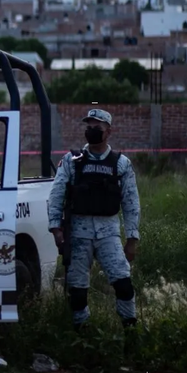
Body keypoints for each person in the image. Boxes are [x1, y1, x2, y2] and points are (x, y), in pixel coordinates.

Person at [47, 108, 141, 330]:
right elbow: (57, 193)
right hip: (78, 234)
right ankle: (82, 333)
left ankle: (130, 329)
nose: (91, 130)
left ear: (108, 131)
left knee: (123, 284)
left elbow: (131, 202)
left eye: (96, 127)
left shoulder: (121, 164)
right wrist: (55, 227)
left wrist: (132, 238)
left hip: (109, 233)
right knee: (77, 291)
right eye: (88, 127)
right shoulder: (72, 161)